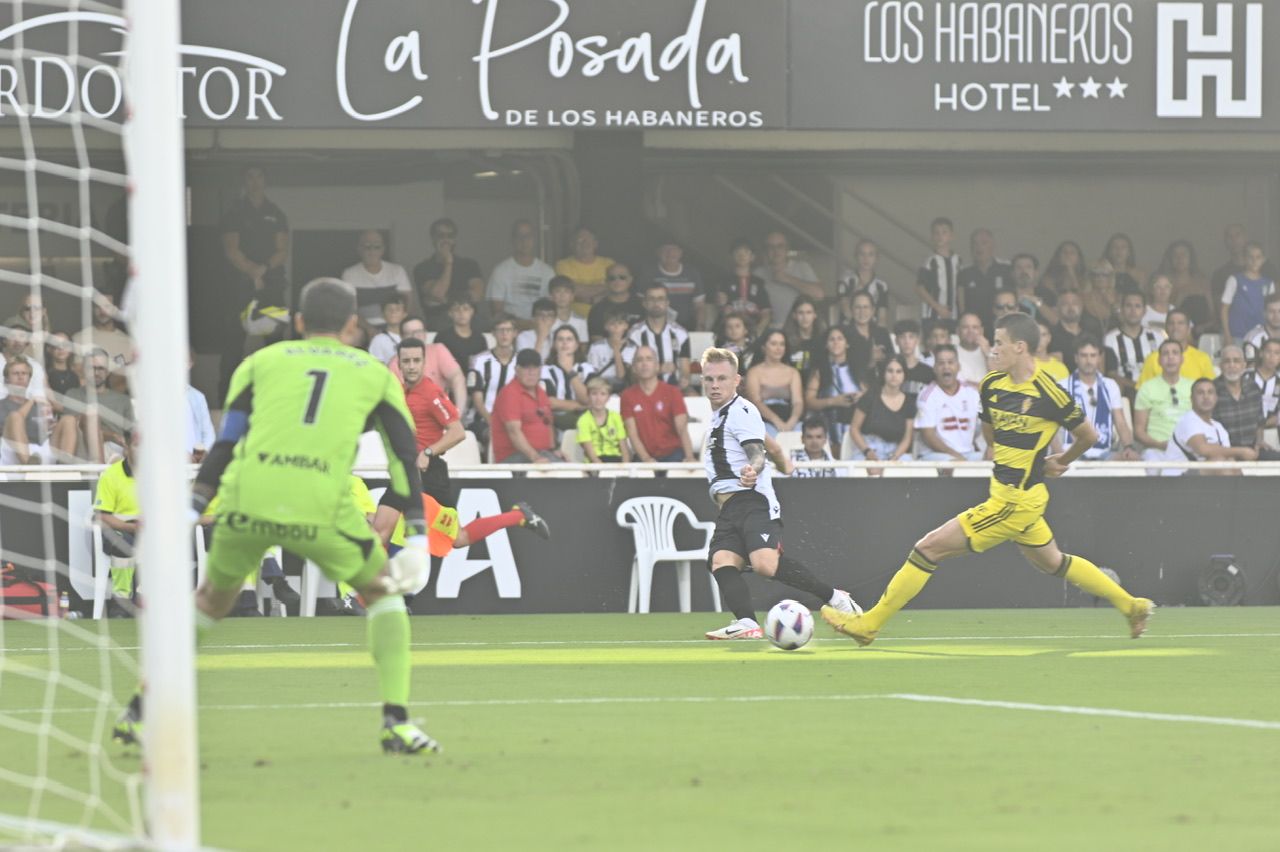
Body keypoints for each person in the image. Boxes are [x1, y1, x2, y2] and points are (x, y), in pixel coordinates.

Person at [113, 278, 440, 754]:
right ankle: (397, 722)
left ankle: (140, 711)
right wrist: (414, 533)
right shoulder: (375, 374)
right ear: (353, 326)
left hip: (250, 501)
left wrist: (192, 508)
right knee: (384, 596)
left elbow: (226, 444)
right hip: (321, 506)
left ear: (300, 323)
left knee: (207, 602)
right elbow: (404, 456)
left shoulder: (259, 363)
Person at [822, 312, 1155, 645]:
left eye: (999, 343)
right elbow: (989, 431)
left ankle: (870, 624)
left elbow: (1088, 435)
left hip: (1014, 501)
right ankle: (1132, 605)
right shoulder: (992, 385)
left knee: (927, 549)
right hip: (1014, 497)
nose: (992, 349)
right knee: (1054, 563)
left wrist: (1060, 460)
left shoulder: (1049, 394)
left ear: (1020, 347)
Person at [700, 347, 858, 640]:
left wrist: (754, 469)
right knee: (721, 562)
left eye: (722, 378)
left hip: (752, 500)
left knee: (764, 564)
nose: (714, 385)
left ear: (737, 380)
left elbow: (756, 452)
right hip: (730, 507)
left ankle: (834, 597)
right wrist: (784, 461)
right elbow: (767, 442)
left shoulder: (741, 410)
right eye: (709, 379)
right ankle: (747, 623)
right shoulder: (721, 417)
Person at [219, 167, 289, 393]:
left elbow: (282, 250)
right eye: (250, 176)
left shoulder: (276, 213)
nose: (255, 182)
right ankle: (226, 398)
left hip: (271, 283)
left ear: (266, 180)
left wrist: (263, 270)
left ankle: (279, 393)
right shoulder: (234, 212)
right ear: (244, 181)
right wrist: (252, 272)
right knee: (232, 342)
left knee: (275, 342)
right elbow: (231, 250)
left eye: (259, 176)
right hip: (238, 284)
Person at [398, 338, 466, 512]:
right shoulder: (400, 391)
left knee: (451, 536)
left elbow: (457, 431)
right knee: (391, 524)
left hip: (429, 471)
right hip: (407, 470)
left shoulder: (431, 393)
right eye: (406, 361)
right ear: (398, 364)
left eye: (416, 361)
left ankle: (516, 516)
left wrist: (427, 453)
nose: (411, 366)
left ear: (424, 363)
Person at [1059, 337, 1137, 461]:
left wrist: (1128, 447)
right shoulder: (1062, 386)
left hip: (1104, 451)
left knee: (1128, 461)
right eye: (1084, 355)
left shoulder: (1110, 385)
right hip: (1071, 451)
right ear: (1076, 358)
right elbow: (1052, 426)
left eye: (1093, 355)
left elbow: (1120, 422)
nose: (1088, 360)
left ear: (1099, 358)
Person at [51, 349, 132, 463]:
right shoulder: (73, 394)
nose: (96, 373)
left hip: (115, 448)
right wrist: (110, 435)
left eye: (100, 368)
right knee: (89, 416)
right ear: (84, 370)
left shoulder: (123, 400)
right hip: (81, 447)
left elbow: (133, 435)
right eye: (91, 368)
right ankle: (99, 471)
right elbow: (71, 428)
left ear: (107, 371)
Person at [93, 429, 141, 616]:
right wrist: (132, 527)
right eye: (137, 445)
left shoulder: (159, 476)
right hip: (119, 529)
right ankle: (121, 601)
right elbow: (103, 516)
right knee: (123, 543)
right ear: (126, 449)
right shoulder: (111, 475)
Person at [621, 346, 696, 464]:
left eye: (649, 359)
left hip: (673, 455)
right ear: (634, 368)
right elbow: (632, 433)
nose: (644, 363)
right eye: (639, 360)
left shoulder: (672, 392)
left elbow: (682, 428)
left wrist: (690, 457)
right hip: (643, 457)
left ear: (657, 366)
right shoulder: (627, 396)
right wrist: (646, 459)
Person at [1167, 379, 1256, 474]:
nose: (1206, 397)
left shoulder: (1219, 427)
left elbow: (1228, 456)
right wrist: (1242, 451)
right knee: (1219, 462)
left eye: (1210, 392)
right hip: (1177, 479)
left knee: (1231, 463)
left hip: (1203, 480)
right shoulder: (1188, 420)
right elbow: (1203, 449)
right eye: (1200, 393)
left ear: (1216, 398)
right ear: (1191, 399)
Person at [413, 217, 486, 331]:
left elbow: (477, 295)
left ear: (455, 239)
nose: (446, 240)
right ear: (433, 238)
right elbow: (438, 294)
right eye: (441, 236)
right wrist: (448, 262)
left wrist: (447, 299)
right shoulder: (422, 268)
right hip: (439, 322)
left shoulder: (470, 265)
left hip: (471, 322)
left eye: (450, 236)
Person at [914, 344, 983, 463]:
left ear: (958, 367)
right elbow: (928, 436)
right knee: (953, 465)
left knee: (995, 461)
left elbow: (981, 425)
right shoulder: (926, 396)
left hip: (967, 454)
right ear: (934, 368)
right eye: (941, 363)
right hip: (935, 455)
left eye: (950, 362)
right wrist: (956, 456)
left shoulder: (972, 393)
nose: (946, 367)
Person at [491, 349, 562, 464]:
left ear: (540, 370)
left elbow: (547, 423)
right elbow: (514, 432)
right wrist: (535, 457)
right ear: (516, 370)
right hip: (514, 456)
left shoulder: (541, 392)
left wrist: (555, 450)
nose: (531, 372)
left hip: (542, 453)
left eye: (535, 368)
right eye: (526, 368)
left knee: (575, 474)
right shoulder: (510, 393)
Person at [849, 356, 916, 471]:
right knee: (873, 470)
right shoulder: (870, 396)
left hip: (895, 451)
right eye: (890, 371)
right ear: (883, 373)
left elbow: (907, 438)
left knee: (909, 468)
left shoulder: (909, 402)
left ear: (904, 375)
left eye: (899, 371)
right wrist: (868, 452)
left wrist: (894, 459)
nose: (894, 375)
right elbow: (854, 429)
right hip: (869, 448)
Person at [1133, 340, 1194, 464]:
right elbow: (1139, 431)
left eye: (1175, 353)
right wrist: (1161, 445)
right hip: (1156, 450)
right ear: (1159, 361)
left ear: (1182, 359)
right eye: (1166, 354)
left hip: (1187, 449)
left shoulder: (1194, 387)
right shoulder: (1147, 388)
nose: (1170, 357)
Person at [341, 230, 414, 332]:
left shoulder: (397, 271)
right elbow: (349, 309)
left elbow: (407, 304)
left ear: (383, 249)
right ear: (359, 249)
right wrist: (369, 329)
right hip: (361, 329)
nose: (372, 251)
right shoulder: (349, 274)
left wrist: (395, 328)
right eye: (367, 247)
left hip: (394, 327)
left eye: (377, 247)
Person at [1211, 346, 1275, 459]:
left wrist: (1259, 441)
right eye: (1227, 361)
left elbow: (1260, 422)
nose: (1232, 365)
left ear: (1244, 365)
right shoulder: (1211, 391)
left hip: (1251, 449)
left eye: (1236, 361)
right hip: (1223, 451)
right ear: (1220, 366)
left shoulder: (1253, 388)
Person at [804, 326, 861, 452]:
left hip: (854, 424)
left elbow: (871, 397)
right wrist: (834, 401)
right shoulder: (819, 370)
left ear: (847, 343)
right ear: (826, 345)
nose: (836, 342)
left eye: (840, 339)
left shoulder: (858, 369)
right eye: (832, 339)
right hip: (827, 424)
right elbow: (809, 401)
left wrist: (860, 396)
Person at [487, 219, 555, 323]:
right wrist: (522, 325)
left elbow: (552, 309)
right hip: (510, 331)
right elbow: (497, 312)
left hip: (540, 328)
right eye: (519, 236)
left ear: (534, 239)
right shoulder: (500, 271)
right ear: (512, 240)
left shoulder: (548, 272)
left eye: (528, 236)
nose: (524, 240)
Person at [468, 317, 518, 451]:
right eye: (500, 330)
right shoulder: (479, 360)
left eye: (508, 330)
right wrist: (494, 422)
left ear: (515, 333)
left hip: (513, 421)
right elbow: (477, 400)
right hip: (482, 420)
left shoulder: (521, 363)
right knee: (496, 436)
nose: (505, 334)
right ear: (493, 333)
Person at [627, 284, 691, 390]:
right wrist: (658, 369)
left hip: (674, 389)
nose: (656, 303)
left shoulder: (680, 333)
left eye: (660, 299)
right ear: (645, 303)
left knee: (693, 396)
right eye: (651, 299)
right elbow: (631, 373)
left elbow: (685, 369)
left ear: (667, 303)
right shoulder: (634, 334)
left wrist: (684, 380)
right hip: (644, 389)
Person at [754, 231, 823, 325]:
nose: (776, 251)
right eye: (771, 247)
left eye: (780, 246)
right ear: (765, 250)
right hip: (771, 334)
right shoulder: (758, 273)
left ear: (787, 249)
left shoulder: (802, 267)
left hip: (798, 331)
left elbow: (819, 294)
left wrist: (787, 279)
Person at [744, 330, 804, 437]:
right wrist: (777, 422)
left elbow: (798, 402)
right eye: (773, 344)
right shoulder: (754, 372)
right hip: (764, 420)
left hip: (789, 419)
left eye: (782, 344)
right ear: (763, 347)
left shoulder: (793, 372)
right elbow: (756, 402)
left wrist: (792, 422)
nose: (778, 348)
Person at [1105, 291, 1166, 397]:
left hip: (1157, 390)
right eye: (1128, 306)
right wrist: (1136, 386)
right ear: (1122, 310)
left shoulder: (1157, 336)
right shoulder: (1110, 339)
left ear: (1144, 311)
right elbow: (1111, 374)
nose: (1133, 311)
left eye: (1137, 306)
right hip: (1127, 392)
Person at [1136, 310, 1215, 386]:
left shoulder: (1202, 358)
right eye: (1171, 323)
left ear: (1188, 329)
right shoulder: (1153, 359)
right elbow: (1142, 391)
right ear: (1166, 328)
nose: (1175, 327)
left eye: (1180, 323)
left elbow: (1210, 390)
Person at [1220, 242, 1275, 347]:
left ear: (1263, 260)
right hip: (1237, 335)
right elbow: (1224, 308)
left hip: (1260, 336)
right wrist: (1227, 335)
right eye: (1251, 257)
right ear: (1244, 259)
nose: (1254, 261)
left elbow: (1271, 311)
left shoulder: (1268, 283)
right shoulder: (1235, 280)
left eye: (1258, 257)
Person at [956, 228, 1011, 329]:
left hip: (1001, 326)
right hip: (975, 328)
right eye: (975, 244)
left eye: (984, 243)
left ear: (993, 246)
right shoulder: (964, 273)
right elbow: (961, 305)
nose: (979, 247)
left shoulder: (1006, 269)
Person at [644, 241, 705, 330]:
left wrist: (700, 326)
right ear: (658, 253)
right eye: (666, 250)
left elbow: (699, 306)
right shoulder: (649, 273)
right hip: (657, 325)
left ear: (681, 253)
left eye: (674, 250)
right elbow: (642, 302)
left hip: (687, 324)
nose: (670, 253)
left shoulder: (692, 273)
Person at [555, 225, 615, 315]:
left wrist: (579, 294)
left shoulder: (608, 264)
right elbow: (567, 290)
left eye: (588, 240)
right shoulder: (562, 265)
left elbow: (616, 289)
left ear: (595, 244)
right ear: (572, 244)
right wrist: (603, 289)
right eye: (580, 240)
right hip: (572, 320)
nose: (585, 244)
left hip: (604, 319)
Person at [0, 360, 51, 464]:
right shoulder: (2, 404)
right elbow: (8, 427)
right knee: (15, 416)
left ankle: (67, 469)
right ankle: (28, 465)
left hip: (40, 451)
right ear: (6, 380)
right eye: (15, 373)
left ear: (29, 379)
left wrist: (50, 424)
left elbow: (47, 434)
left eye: (24, 373)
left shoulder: (39, 405)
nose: (20, 377)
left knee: (68, 420)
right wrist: (32, 401)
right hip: (12, 453)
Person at [717, 239, 772, 336]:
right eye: (738, 252)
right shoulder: (724, 281)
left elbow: (766, 312)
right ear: (732, 256)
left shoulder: (759, 283)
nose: (742, 256)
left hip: (754, 328)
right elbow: (724, 309)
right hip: (732, 330)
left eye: (746, 252)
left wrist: (758, 329)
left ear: (752, 257)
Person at [541, 326, 590, 431]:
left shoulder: (587, 369)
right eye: (560, 339)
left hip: (584, 424)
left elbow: (588, 399)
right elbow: (548, 402)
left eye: (569, 339)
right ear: (554, 345)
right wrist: (580, 406)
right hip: (554, 424)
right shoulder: (544, 370)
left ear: (576, 345)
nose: (565, 343)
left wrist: (569, 370)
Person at [576, 376, 630, 464]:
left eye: (603, 394)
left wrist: (625, 467)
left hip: (616, 460)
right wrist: (603, 470)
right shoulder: (583, 420)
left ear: (608, 397)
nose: (598, 398)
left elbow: (624, 449)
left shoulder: (616, 417)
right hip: (594, 463)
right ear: (588, 396)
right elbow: (591, 455)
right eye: (594, 394)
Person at [838, 239, 890, 329]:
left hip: (873, 330)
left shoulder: (881, 285)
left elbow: (882, 317)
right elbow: (845, 309)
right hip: (848, 329)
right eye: (862, 254)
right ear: (856, 256)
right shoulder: (846, 280)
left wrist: (880, 334)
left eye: (870, 254)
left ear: (876, 258)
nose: (866, 259)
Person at [916, 217, 960, 320]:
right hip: (933, 315)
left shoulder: (958, 260)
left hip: (954, 315)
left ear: (951, 236)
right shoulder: (930, 261)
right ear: (932, 236)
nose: (940, 236)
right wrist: (938, 307)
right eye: (936, 233)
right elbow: (919, 288)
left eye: (944, 232)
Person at [1048, 290, 1102, 374]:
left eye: (1075, 303)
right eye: (1065, 304)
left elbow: (1100, 370)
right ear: (1057, 308)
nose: (1070, 307)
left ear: (1081, 307)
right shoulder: (1051, 336)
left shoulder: (1092, 334)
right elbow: (1057, 373)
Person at [587, 263, 645, 341]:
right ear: (606, 282)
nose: (617, 281)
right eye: (612, 278)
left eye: (622, 277)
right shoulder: (597, 309)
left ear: (630, 280)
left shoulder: (642, 305)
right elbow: (597, 341)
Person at [845, 290, 894, 382]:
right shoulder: (843, 335)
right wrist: (871, 362)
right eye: (857, 307)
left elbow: (892, 361)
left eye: (866, 307)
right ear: (851, 310)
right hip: (853, 387)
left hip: (881, 386)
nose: (862, 312)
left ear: (873, 310)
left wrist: (883, 358)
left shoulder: (882, 333)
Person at [586, 309, 637, 394]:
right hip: (600, 389)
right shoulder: (596, 347)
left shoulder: (632, 348)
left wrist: (616, 350)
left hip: (623, 390)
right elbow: (591, 374)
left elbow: (621, 376)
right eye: (612, 323)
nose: (616, 327)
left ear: (626, 326)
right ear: (606, 326)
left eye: (620, 323)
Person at [1010, 253, 1058, 325]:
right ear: (1012, 273)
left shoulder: (1047, 294)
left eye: (1028, 267)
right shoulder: (1006, 294)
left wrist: (1037, 302)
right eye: (1019, 267)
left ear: (1036, 273)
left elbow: (1056, 321)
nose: (1024, 271)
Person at [184, 354, 216, 463]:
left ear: (190, 364)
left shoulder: (198, 397)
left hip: (195, 464)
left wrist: (204, 453)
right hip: (171, 465)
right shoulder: (160, 397)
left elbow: (208, 432)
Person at [782, 295, 824, 377]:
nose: (805, 317)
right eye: (801, 313)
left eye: (809, 312)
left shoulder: (824, 339)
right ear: (794, 316)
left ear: (815, 315)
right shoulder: (785, 340)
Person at [893, 320, 936, 395]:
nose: (907, 341)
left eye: (911, 337)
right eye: (902, 337)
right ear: (896, 341)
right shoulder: (890, 371)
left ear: (917, 340)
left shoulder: (928, 372)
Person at [514, 298, 560, 362]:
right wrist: (541, 337)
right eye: (541, 315)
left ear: (554, 319)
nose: (545, 319)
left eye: (549, 315)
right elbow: (528, 364)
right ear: (533, 318)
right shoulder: (523, 337)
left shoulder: (558, 337)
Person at [367, 294, 409, 364]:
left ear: (405, 314)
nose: (393, 312)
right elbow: (377, 367)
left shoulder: (413, 335)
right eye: (389, 309)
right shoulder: (378, 340)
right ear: (382, 314)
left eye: (398, 309)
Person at [1247, 338, 1280, 424]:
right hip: (1248, 426)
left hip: (1272, 429)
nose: (1272, 356)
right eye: (1268, 351)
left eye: (1277, 353)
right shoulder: (1247, 376)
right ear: (1261, 353)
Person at [1081, 260, 1121, 329]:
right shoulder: (1082, 298)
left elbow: (1126, 322)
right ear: (1091, 277)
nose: (1100, 278)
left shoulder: (1119, 297)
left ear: (1110, 277)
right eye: (1096, 274)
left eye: (1105, 274)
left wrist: (1113, 304)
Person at [1242, 293, 1280, 365]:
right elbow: (1250, 368)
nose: (1276, 316)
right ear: (1264, 313)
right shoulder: (1252, 338)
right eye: (1272, 311)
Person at [954, 312, 991, 386]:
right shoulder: (950, 353)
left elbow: (998, 383)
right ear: (957, 331)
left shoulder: (991, 352)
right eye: (965, 327)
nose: (970, 331)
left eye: (975, 327)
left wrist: (988, 354)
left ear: (982, 331)